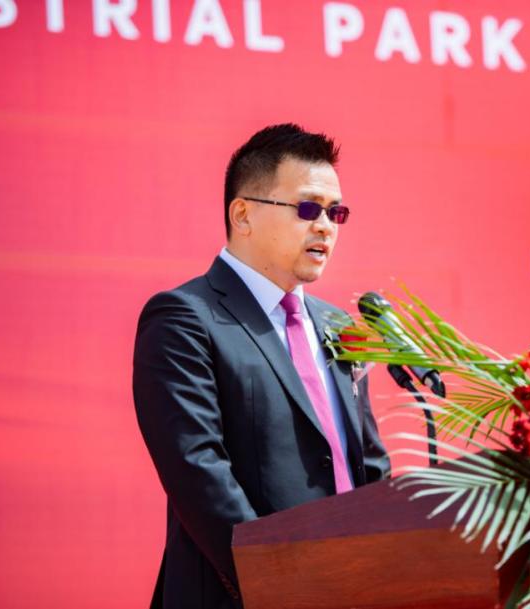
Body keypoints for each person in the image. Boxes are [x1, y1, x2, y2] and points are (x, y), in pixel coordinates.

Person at [133, 123, 390, 609]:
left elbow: (369, 468)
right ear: (243, 214)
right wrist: (279, 584)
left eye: (335, 212)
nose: (325, 226)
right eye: (308, 209)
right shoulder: (186, 318)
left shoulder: (337, 325)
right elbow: (199, 473)